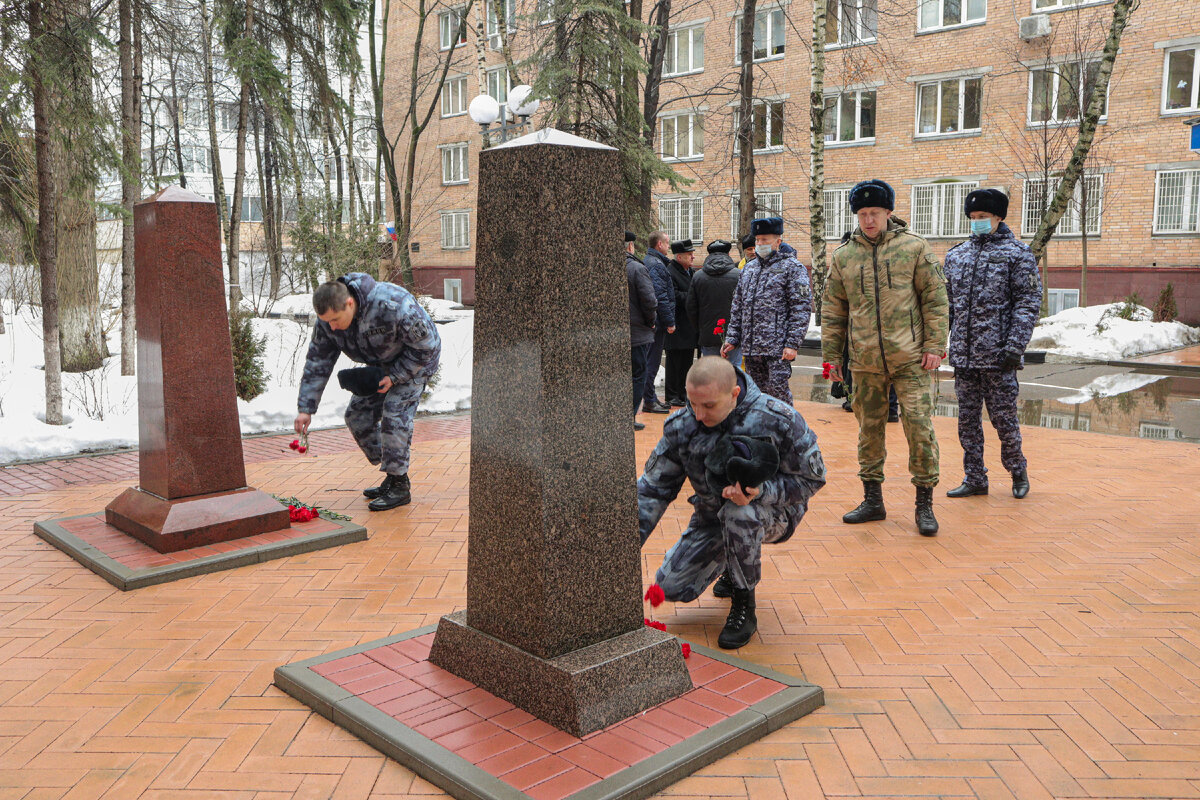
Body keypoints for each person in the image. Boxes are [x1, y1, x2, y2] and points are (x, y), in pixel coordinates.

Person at [638, 357, 826, 649]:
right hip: (712, 517)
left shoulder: (779, 419)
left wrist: (759, 491)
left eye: (709, 406)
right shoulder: (682, 426)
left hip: (771, 513)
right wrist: (619, 552)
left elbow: (812, 480)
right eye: (692, 403)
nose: (698, 415)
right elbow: (652, 490)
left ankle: (743, 603)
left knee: (739, 512)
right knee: (671, 588)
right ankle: (730, 557)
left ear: (734, 393)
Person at [821, 179, 949, 536]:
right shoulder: (844, 256)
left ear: (888, 212)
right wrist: (832, 358)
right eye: (862, 214)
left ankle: (924, 504)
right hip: (864, 361)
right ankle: (873, 500)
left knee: (919, 428)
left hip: (911, 359)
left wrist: (934, 345)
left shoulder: (915, 248)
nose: (868, 221)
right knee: (869, 432)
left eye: (874, 213)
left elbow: (936, 300)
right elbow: (833, 311)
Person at [295, 273, 441, 511]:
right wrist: (305, 409)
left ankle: (399, 485)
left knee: (395, 413)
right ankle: (392, 473)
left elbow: (427, 346)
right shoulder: (328, 322)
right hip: (382, 367)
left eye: (335, 320)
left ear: (349, 303)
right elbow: (317, 363)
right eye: (326, 322)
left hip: (414, 364)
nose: (331, 327)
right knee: (357, 416)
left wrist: (395, 377)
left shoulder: (392, 304)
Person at [943, 189, 1040, 500]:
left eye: (983, 218)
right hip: (964, 357)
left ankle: (1017, 471)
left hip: (999, 355)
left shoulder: (1018, 255)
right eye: (973, 219)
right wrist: (937, 342)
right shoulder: (957, 256)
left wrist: (1015, 346)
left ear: (999, 217)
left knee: (1003, 418)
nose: (977, 223)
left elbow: (1027, 303)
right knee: (967, 421)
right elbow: (947, 306)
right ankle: (974, 478)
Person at [721, 217, 810, 406]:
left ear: (778, 241)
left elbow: (800, 309)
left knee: (779, 396)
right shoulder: (749, 269)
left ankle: (786, 431)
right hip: (752, 348)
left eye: (765, 240)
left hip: (777, 349)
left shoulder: (793, 268)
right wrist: (732, 338)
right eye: (758, 240)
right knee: (755, 396)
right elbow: (738, 306)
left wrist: (793, 343)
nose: (760, 244)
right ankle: (761, 433)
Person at [687, 239, 742, 366]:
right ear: (728, 255)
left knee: (711, 374)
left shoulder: (698, 276)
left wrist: (701, 328)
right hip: (733, 337)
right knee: (734, 373)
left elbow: (691, 308)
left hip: (708, 335)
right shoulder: (739, 275)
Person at [641, 231, 676, 414]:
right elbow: (660, 296)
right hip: (659, 322)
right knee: (652, 363)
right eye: (667, 243)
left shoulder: (654, 262)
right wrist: (670, 321)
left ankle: (651, 398)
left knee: (651, 362)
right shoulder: (656, 265)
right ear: (659, 245)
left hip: (657, 321)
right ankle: (649, 400)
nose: (668, 246)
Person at [626, 231, 657, 432]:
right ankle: (629, 417)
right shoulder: (636, 268)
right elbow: (649, 301)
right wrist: (651, 322)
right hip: (637, 334)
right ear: (630, 246)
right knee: (638, 375)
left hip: (615, 335)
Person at [663, 239, 698, 407]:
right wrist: (692, 297)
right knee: (674, 362)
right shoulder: (670, 272)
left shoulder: (690, 271)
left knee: (686, 362)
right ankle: (671, 395)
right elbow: (673, 296)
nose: (693, 257)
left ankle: (683, 393)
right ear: (679, 257)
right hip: (676, 326)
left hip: (688, 326)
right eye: (689, 254)